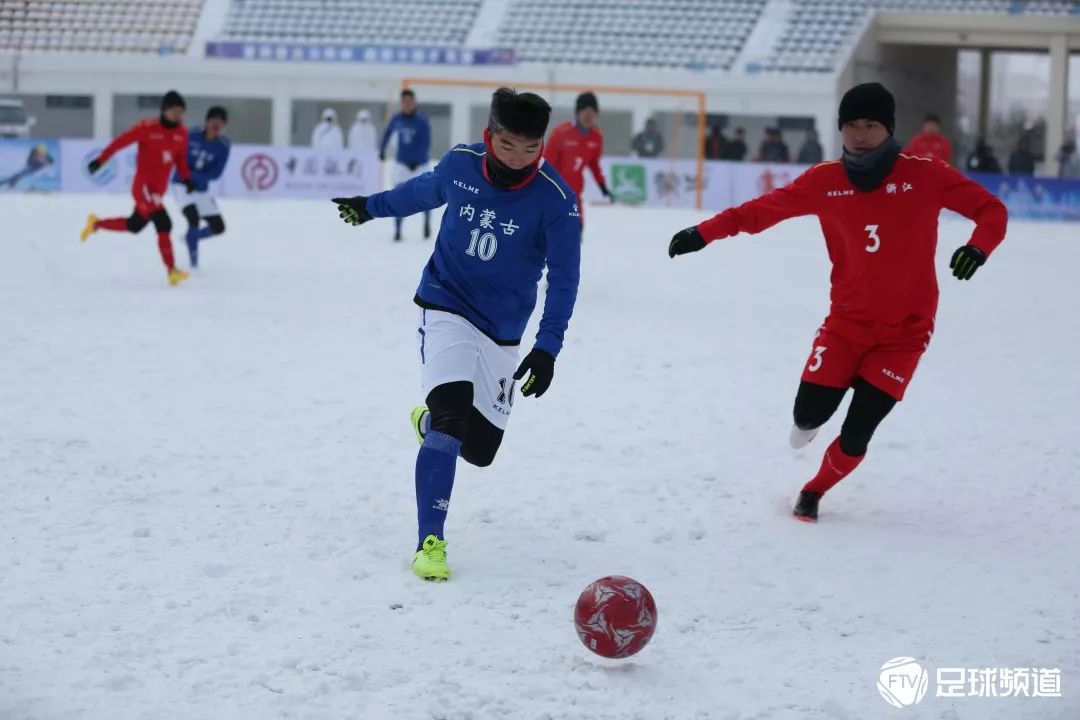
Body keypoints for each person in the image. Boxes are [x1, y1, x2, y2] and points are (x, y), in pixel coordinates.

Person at [667, 82, 1007, 523]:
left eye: (870, 125)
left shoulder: (925, 173)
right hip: (846, 326)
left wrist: (978, 247)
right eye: (850, 125)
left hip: (905, 333)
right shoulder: (824, 181)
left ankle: (813, 491)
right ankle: (813, 420)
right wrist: (703, 233)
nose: (860, 134)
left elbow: (992, 210)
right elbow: (758, 212)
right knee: (806, 419)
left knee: (858, 430)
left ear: (888, 128)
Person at [331, 88, 581, 580]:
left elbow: (565, 279)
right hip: (446, 303)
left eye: (531, 149)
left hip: (504, 330)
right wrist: (369, 206)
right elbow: (419, 192)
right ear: (489, 136)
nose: (518, 159)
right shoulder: (461, 164)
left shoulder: (557, 201)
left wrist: (547, 348)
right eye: (508, 145)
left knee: (481, 450)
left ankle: (430, 427)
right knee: (451, 418)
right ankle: (431, 541)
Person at [80, 90, 196, 287]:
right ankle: (172, 271)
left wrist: (187, 178)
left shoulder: (182, 133)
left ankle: (96, 224)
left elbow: (180, 159)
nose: (178, 115)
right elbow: (120, 142)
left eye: (181, 112)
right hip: (143, 187)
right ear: (164, 110)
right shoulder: (146, 128)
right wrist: (101, 160)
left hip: (158, 191)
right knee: (163, 223)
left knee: (135, 225)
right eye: (174, 111)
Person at [173, 106, 231, 268]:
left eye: (220, 122)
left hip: (200, 188)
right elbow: (178, 158)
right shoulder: (191, 135)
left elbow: (217, 173)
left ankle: (191, 238)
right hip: (182, 185)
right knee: (193, 218)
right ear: (206, 121)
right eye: (213, 120)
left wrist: (197, 178)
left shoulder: (223, 146)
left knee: (218, 227)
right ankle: (194, 264)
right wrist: (187, 178)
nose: (216, 124)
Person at [545, 91, 610, 227]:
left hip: (574, 194)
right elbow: (546, 164)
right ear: (578, 112)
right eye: (585, 111)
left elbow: (594, 164)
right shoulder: (561, 133)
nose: (588, 116)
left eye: (592, 112)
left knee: (576, 230)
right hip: (554, 192)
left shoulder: (596, 137)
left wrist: (602, 186)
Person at [379, 89, 433, 241]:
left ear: (414, 102)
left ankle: (427, 221)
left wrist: (417, 160)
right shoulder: (397, 119)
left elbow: (426, 142)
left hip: (419, 164)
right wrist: (382, 150)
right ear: (402, 103)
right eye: (405, 102)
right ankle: (397, 230)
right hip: (402, 164)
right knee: (399, 196)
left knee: (425, 196)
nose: (407, 104)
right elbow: (387, 134)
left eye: (410, 101)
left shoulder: (422, 120)